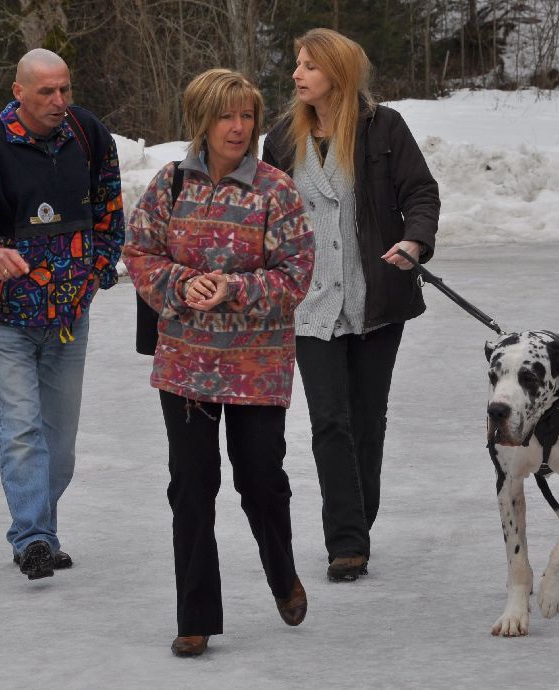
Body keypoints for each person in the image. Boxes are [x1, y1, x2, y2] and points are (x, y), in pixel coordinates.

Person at [124, 68, 314, 657]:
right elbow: (140, 252)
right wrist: (184, 284)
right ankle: (195, 617)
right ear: (201, 121)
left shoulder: (276, 190)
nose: (238, 127)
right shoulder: (171, 184)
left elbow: (296, 275)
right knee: (191, 486)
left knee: (260, 481)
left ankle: (282, 573)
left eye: (247, 115)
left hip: (257, 365)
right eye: (226, 116)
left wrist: (233, 289)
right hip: (185, 365)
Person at [0, 48, 125, 580]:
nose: (59, 100)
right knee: (21, 435)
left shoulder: (89, 136)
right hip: (7, 323)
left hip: (69, 321)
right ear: (19, 92)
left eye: (65, 89)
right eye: (46, 92)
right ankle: (33, 538)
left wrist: (96, 273)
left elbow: (109, 215)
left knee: (59, 448)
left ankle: (42, 531)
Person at [262, 28, 440, 583]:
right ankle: (346, 543)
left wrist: (414, 242)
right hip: (308, 302)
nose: (297, 75)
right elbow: (265, 214)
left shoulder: (383, 128)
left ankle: (359, 521)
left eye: (309, 66)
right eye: (297, 64)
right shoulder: (281, 139)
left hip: (375, 298)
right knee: (329, 421)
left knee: (366, 420)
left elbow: (420, 193)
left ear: (337, 74)